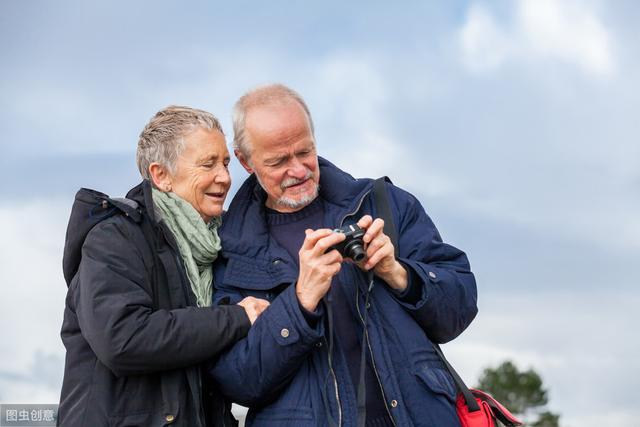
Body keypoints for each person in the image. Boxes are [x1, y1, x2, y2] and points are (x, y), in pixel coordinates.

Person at [209, 84, 479, 426]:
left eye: (305, 151)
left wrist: (398, 274)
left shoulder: (385, 203)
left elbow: (460, 308)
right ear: (246, 161)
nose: (298, 170)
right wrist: (301, 301)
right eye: (278, 161)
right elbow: (237, 380)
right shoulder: (230, 248)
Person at [58, 106, 270, 426]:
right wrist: (238, 317)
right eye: (208, 164)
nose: (225, 177)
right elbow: (122, 339)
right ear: (161, 176)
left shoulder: (218, 247)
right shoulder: (114, 239)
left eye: (225, 162)